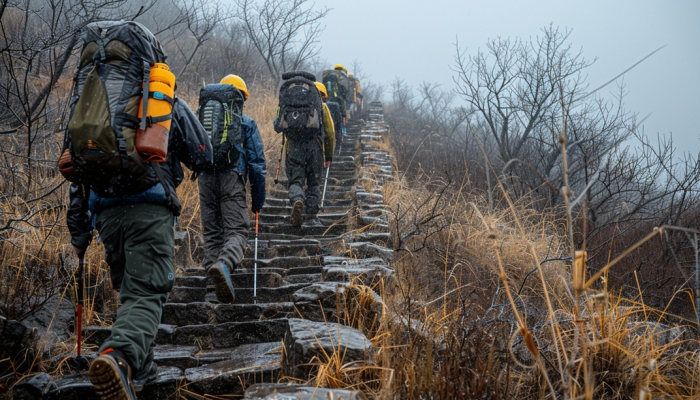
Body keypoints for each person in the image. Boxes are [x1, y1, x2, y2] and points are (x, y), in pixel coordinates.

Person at [66, 97, 213, 398]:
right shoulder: (161, 94)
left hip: (106, 214)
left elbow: (76, 171)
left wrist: (79, 231)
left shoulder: (88, 100)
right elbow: (202, 155)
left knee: (131, 292)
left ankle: (141, 371)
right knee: (146, 291)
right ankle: (119, 356)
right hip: (148, 208)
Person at [197, 74, 266, 303]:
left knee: (213, 232)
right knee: (237, 230)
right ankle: (224, 265)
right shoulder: (246, 123)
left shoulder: (202, 118)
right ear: (239, 99)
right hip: (231, 176)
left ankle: (211, 285)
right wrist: (257, 199)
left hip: (205, 176)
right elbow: (257, 164)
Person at [274, 78, 335, 227]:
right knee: (313, 182)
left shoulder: (288, 102)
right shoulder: (322, 107)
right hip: (314, 147)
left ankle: (297, 199)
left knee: (295, 180)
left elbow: (277, 126)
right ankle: (312, 216)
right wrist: (329, 155)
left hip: (294, 147)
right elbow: (330, 132)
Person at [317, 82, 344, 154]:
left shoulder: (306, 107)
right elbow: (337, 127)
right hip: (327, 140)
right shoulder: (333, 106)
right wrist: (338, 143)